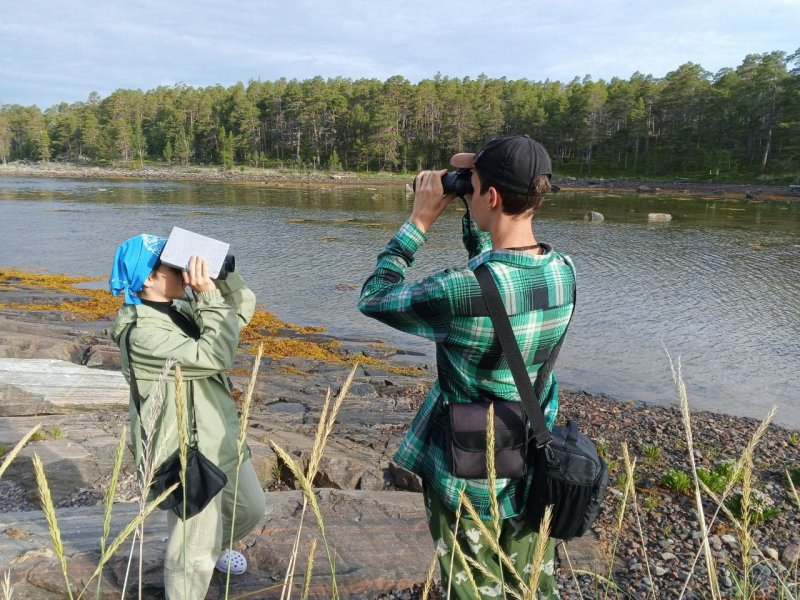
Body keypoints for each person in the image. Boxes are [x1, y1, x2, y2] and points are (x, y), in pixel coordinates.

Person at [359, 135, 575, 598]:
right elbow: (493, 275)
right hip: (535, 453)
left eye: (472, 184)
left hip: (469, 465)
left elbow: (374, 297)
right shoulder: (564, 271)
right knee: (528, 581)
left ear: (492, 196)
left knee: (474, 586)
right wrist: (472, 198)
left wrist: (418, 220)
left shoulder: (459, 291)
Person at [109, 235, 266, 599]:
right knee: (189, 558)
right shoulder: (141, 335)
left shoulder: (178, 312)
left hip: (220, 436)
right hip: (189, 453)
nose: (183, 270)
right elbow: (216, 354)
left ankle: (212, 547)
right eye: (171, 265)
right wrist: (207, 296)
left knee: (250, 510)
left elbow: (237, 312)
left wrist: (223, 275)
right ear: (147, 278)